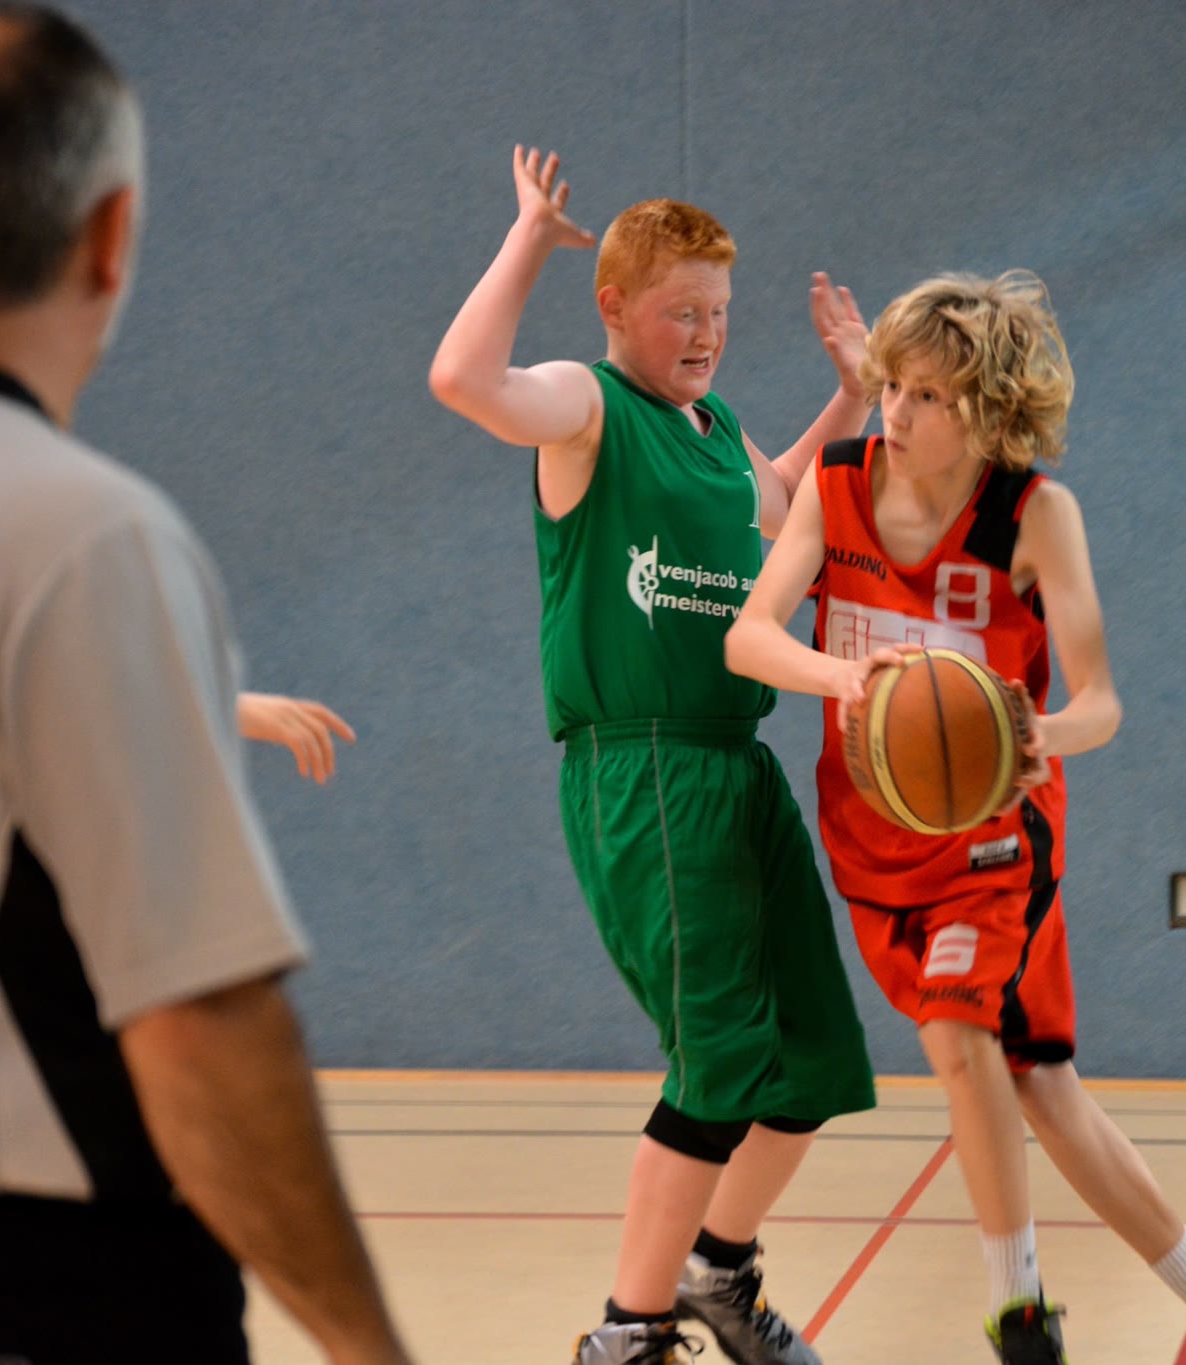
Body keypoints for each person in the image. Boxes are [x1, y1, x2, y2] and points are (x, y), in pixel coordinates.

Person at [0, 6, 409, 1363]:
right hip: (48, 1293)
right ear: (111, 234)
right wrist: (368, 1345)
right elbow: (201, 1029)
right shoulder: (87, 540)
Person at [724, 271, 1186, 1365]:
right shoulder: (837, 485)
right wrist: (841, 678)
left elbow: (1100, 704)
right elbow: (746, 637)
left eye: (930, 396)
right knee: (1040, 1085)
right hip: (872, 836)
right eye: (891, 386)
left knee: (956, 1034)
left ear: (988, 409)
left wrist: (1041, 734)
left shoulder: (1035, 516)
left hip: (996, 836)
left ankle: (1018, 1310)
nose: (898, 413)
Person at [429, 148, 877, 1365]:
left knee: (811, 1063)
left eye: (720, 313)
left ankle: (715, 1272)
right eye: (683, 311)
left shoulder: (715, 426)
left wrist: (850, 396)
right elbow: (462, 378)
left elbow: (780, 505)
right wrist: (528, 236)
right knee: (718, 1059)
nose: (707, 335)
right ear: (615, 305)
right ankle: (624, 1334)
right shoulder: (585, 407)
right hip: (647, 771)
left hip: (739, 766)